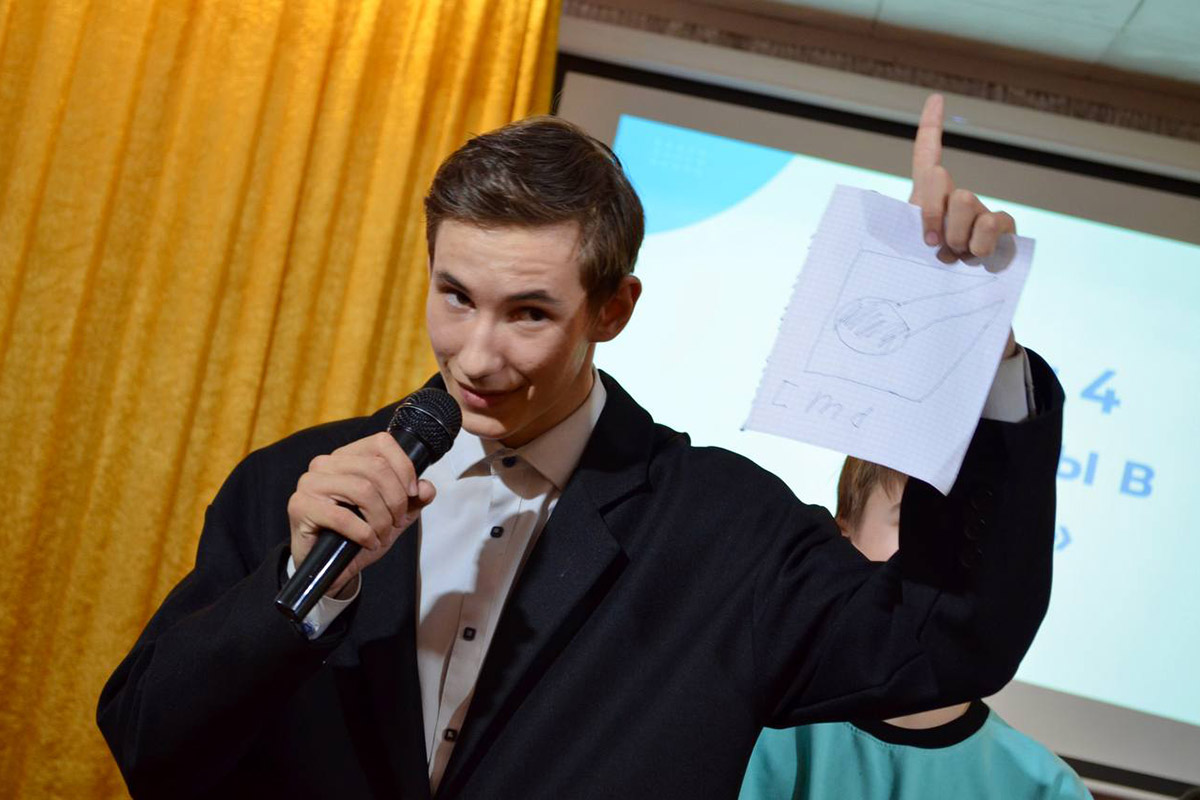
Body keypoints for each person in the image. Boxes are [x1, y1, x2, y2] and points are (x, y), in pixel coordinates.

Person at [97, 95, 1064, 799]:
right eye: (455, 297)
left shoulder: (725, 532)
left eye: (529, 313)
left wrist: (973, 338)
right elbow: (148, 745)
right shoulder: (297, 486)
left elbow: (953, 640)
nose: (476, 355)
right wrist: (293, 593)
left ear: (614, 310)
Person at [739, 458, 1092, 800]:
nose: (947, 553)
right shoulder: (757, 736)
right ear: (843, 536)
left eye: (974, 529)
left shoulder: (1045, 789)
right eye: (915, 520)